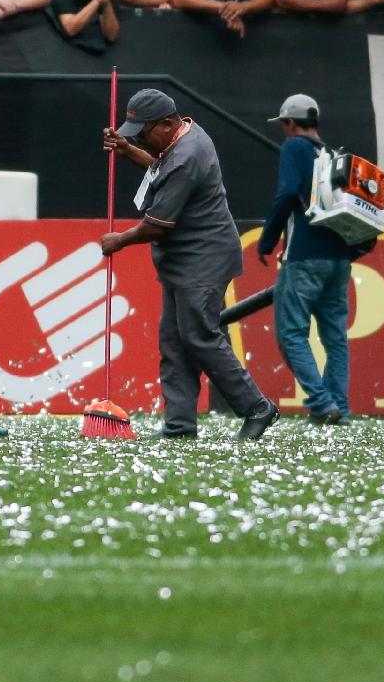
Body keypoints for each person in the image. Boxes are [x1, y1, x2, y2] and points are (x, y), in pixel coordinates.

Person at [101, 88, 278, 441]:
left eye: (143, 134)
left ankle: (257, 406)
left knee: (199, 337)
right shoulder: (183, 137)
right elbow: (157, 166)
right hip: (186, 260)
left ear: (166, 125)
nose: (142, 140)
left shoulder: (187, 156)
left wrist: (118, 240)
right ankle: (179, 425)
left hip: (204, 259)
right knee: (174, 341)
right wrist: (127, 150)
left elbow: (157, 225)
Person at [256, 93, 363, 426]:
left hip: (303, 255)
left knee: (291, 333)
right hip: (339, 257)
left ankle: (321, 403)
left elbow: (288, 192)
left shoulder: (294, 147)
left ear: (290, 123)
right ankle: (340, 409)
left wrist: (268, 239)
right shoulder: (332, 153)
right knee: (335, 337)